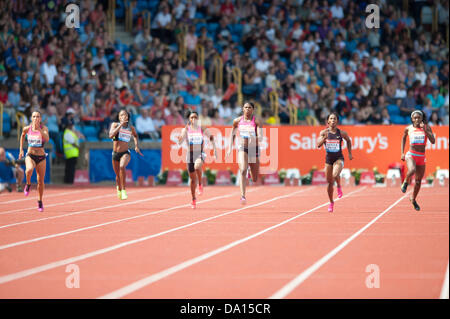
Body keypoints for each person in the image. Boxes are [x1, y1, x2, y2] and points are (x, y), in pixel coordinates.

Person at [177, 110, 217, 209]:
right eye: (192, 117)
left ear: (198, 119)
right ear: (189, 119)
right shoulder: (186, 129)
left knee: (197, 166)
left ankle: (200, 183)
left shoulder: (201, 128)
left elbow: (211, 137)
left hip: (200, 153)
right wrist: (180, 138)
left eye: (195, 117)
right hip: (190, 155)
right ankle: (193, 199)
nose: (194, 119)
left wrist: (215, 150)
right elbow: (180, 141)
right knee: (192, 179)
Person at [226, 102, 263, 204]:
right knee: (242, 170)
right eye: (246, 107)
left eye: (249, 108)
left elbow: (260, 137)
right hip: (242, 148)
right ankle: (243, 196)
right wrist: (230, 147)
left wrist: (253, 137)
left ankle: (250, 170)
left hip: (253, 149)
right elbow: (232, 134)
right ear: (243, 109)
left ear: (253, 109)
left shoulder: (257, 121)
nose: (247, 109)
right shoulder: (237, 121)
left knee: (255, 178)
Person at [317, 112, 353, 213]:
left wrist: (350, 153)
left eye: (335, 119)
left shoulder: (341, 133)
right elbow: (318, 145)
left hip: (339, 158)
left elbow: (348, 141)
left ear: (337, 121)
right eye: (331, 119)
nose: (333, 120)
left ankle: (339, 185)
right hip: (328, 160)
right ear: (328, 121)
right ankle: (331, 202)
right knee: (329, 182)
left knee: (335, 174)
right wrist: (324, 138)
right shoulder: (323, 132)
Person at [400, 110, 435, 211]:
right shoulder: (408, 128)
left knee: (418, 182)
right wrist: (402, 153)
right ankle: (406, 182)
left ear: (422, 118)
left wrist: (425, 129)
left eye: (419, 118)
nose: (417, 119)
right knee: (412, 170)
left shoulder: (426, 127)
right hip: (411, 154)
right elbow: (403, 139)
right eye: (415, 118)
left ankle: (413, 199)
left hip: (421, 156)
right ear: (412, 119)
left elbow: (433, 141)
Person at [109, 109, 143, 200]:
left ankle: (124, 190)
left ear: (127, 117)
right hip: (115, 154)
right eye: (121, 115)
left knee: (122, 166)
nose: (123, 116)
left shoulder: (131, 127)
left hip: (125, 153)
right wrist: (120, 125)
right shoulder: (115, 125)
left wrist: (136, 146)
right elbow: (110, 135)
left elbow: (135, 135)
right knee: (117, 177)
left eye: (125, 115)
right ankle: (119, 188)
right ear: (119, 117)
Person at [18, 111, 49, 212]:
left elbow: (47, 138)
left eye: (38, 117)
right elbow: (22, 136)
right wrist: (21, 149)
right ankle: (28, 184)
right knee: (29, 170)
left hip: (41, 157)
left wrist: (39, 129)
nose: (36, 118)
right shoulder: (27, 128)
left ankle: (40, 201)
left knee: (40, 181)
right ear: (31, 118)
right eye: (34, 116)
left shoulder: (44, 129)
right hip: (30, 155)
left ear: (40, 119)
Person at [63, 119, 81, 184]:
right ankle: (69, 181)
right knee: (70, 169)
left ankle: (68, 181)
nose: (72, 126)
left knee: (69, 168)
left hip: (72, 153)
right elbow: (73, 142)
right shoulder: (68, 132)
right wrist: (78, 147)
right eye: (71, 125)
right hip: (71, 153)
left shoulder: (70, 132)